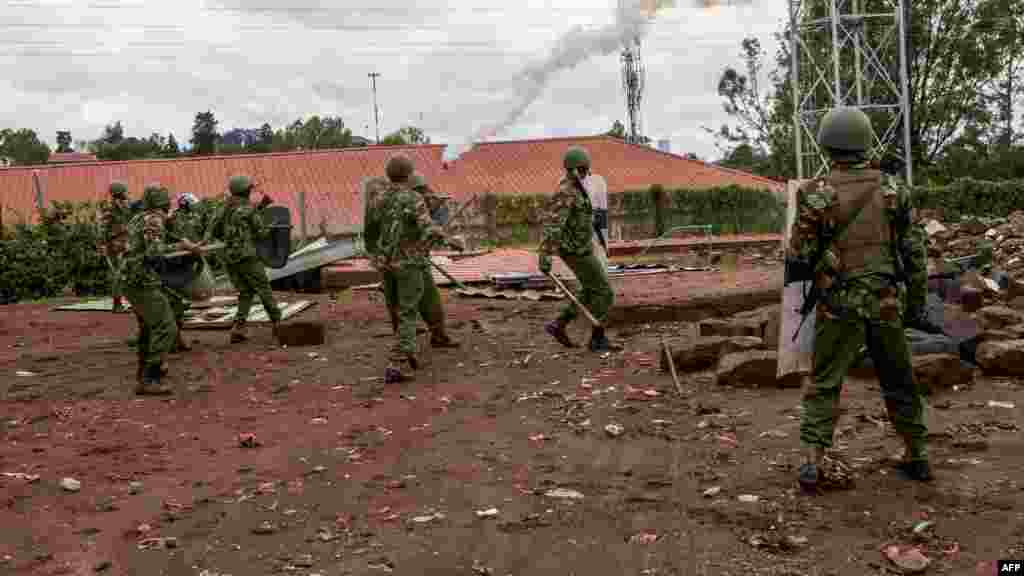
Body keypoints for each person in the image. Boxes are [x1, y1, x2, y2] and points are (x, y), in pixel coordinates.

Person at [788, 107, 933, 489]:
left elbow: (799, 255)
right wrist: (916, 305)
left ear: (827, 146)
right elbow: (916, 256)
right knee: (900, 379)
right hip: (886, 301)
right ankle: (917, 454)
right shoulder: (894, 189)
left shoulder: (815, 193)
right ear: (866, 142)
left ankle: (811, 460)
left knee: (825, 382)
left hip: (838, 303)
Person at [363, 155, 462, 384]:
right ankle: (396, 363)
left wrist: (375, 255)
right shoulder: (413, 198)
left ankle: (433, 338)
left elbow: (369, 231)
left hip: (388, 263)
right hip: (409, 264)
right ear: (409, 175)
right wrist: (450, 240)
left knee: (410, 304)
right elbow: (428, 228)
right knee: (408, 311)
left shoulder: (378, 198)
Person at [538, 146, 619, 352]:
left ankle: (559, 324)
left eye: (586, 170)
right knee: (604, 293)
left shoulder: (576, 188)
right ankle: (597, 338)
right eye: (583, 170)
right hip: (575, 251)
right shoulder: (566, 192)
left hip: (582, 247)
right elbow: (553, 225)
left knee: (590, 291)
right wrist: (545, 255)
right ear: (574, 169)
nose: (585, 174)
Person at [122, 184, 201, 394]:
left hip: (129, 278)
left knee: (149, 327)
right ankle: (151, 378)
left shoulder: (138, 218)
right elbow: (155, 253)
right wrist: (183, 247)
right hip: (141, 280)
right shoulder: (154, 220)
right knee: (167, 326)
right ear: (162, 202)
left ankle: (143, 375)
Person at [205, 176, 281, 344]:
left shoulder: (221, 208)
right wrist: (272, 227)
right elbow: (261, 233)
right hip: (246, 256)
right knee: (263, 288)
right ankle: (278, 324)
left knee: (246, 291)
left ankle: (238, 328)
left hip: (228, 257)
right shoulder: (248, 208)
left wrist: (233, 236)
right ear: (246, 191)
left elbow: (212, 231)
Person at [163, 192, 202, 352]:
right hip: (173, 264)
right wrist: (186, 245)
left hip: (185, 261)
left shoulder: (191, 217)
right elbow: (176, 239)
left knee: (179, 304)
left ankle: (176, 339)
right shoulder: (172, 219)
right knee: (174, 303)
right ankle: (173, 340)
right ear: (184, 204)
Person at [99, 181, 132, 313]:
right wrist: (102, 245)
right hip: (114, 245)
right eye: (124, 192)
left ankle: (126, 302)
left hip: (123, 243)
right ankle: (117, 304)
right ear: (119, 193)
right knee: (118, 274)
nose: (126, 194)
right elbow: (103, 228)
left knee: (125, 273)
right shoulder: (109, 208)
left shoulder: (123, 206)